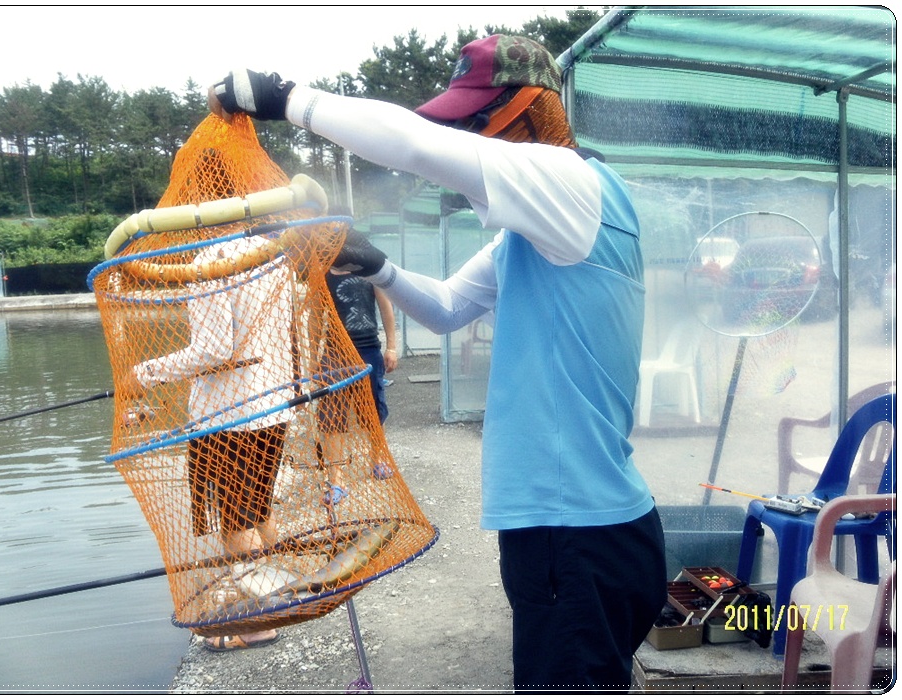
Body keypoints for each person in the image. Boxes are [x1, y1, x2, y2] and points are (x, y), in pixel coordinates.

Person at [208, 34, 666, 690]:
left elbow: (415, 145)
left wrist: (282, 97)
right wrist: (378, 267)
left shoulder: (571, 181)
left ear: (530, 109)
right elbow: (449, 307)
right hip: (585, 530)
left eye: (474, 120)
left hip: (574, 532)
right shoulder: (540, 233)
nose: (465, 136)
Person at [126, 234, 295, 652]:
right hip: (275, 404)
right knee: (259, 505)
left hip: (228, 416)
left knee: (236, 519)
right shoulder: (273, 254)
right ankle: (278, 594)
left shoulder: (209, 262)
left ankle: (258, 623)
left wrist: (144, 374)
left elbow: (213, 350)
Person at [318, 257, 398, 505]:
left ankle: (378, 458)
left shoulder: (367, 269)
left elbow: (385, 307)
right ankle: (337, 479)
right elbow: (315, 318)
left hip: (368, 350)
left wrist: (391, 347)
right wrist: (312, 360)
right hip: (334, 353)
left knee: (373, 408)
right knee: (331, 415)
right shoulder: (322, 274)